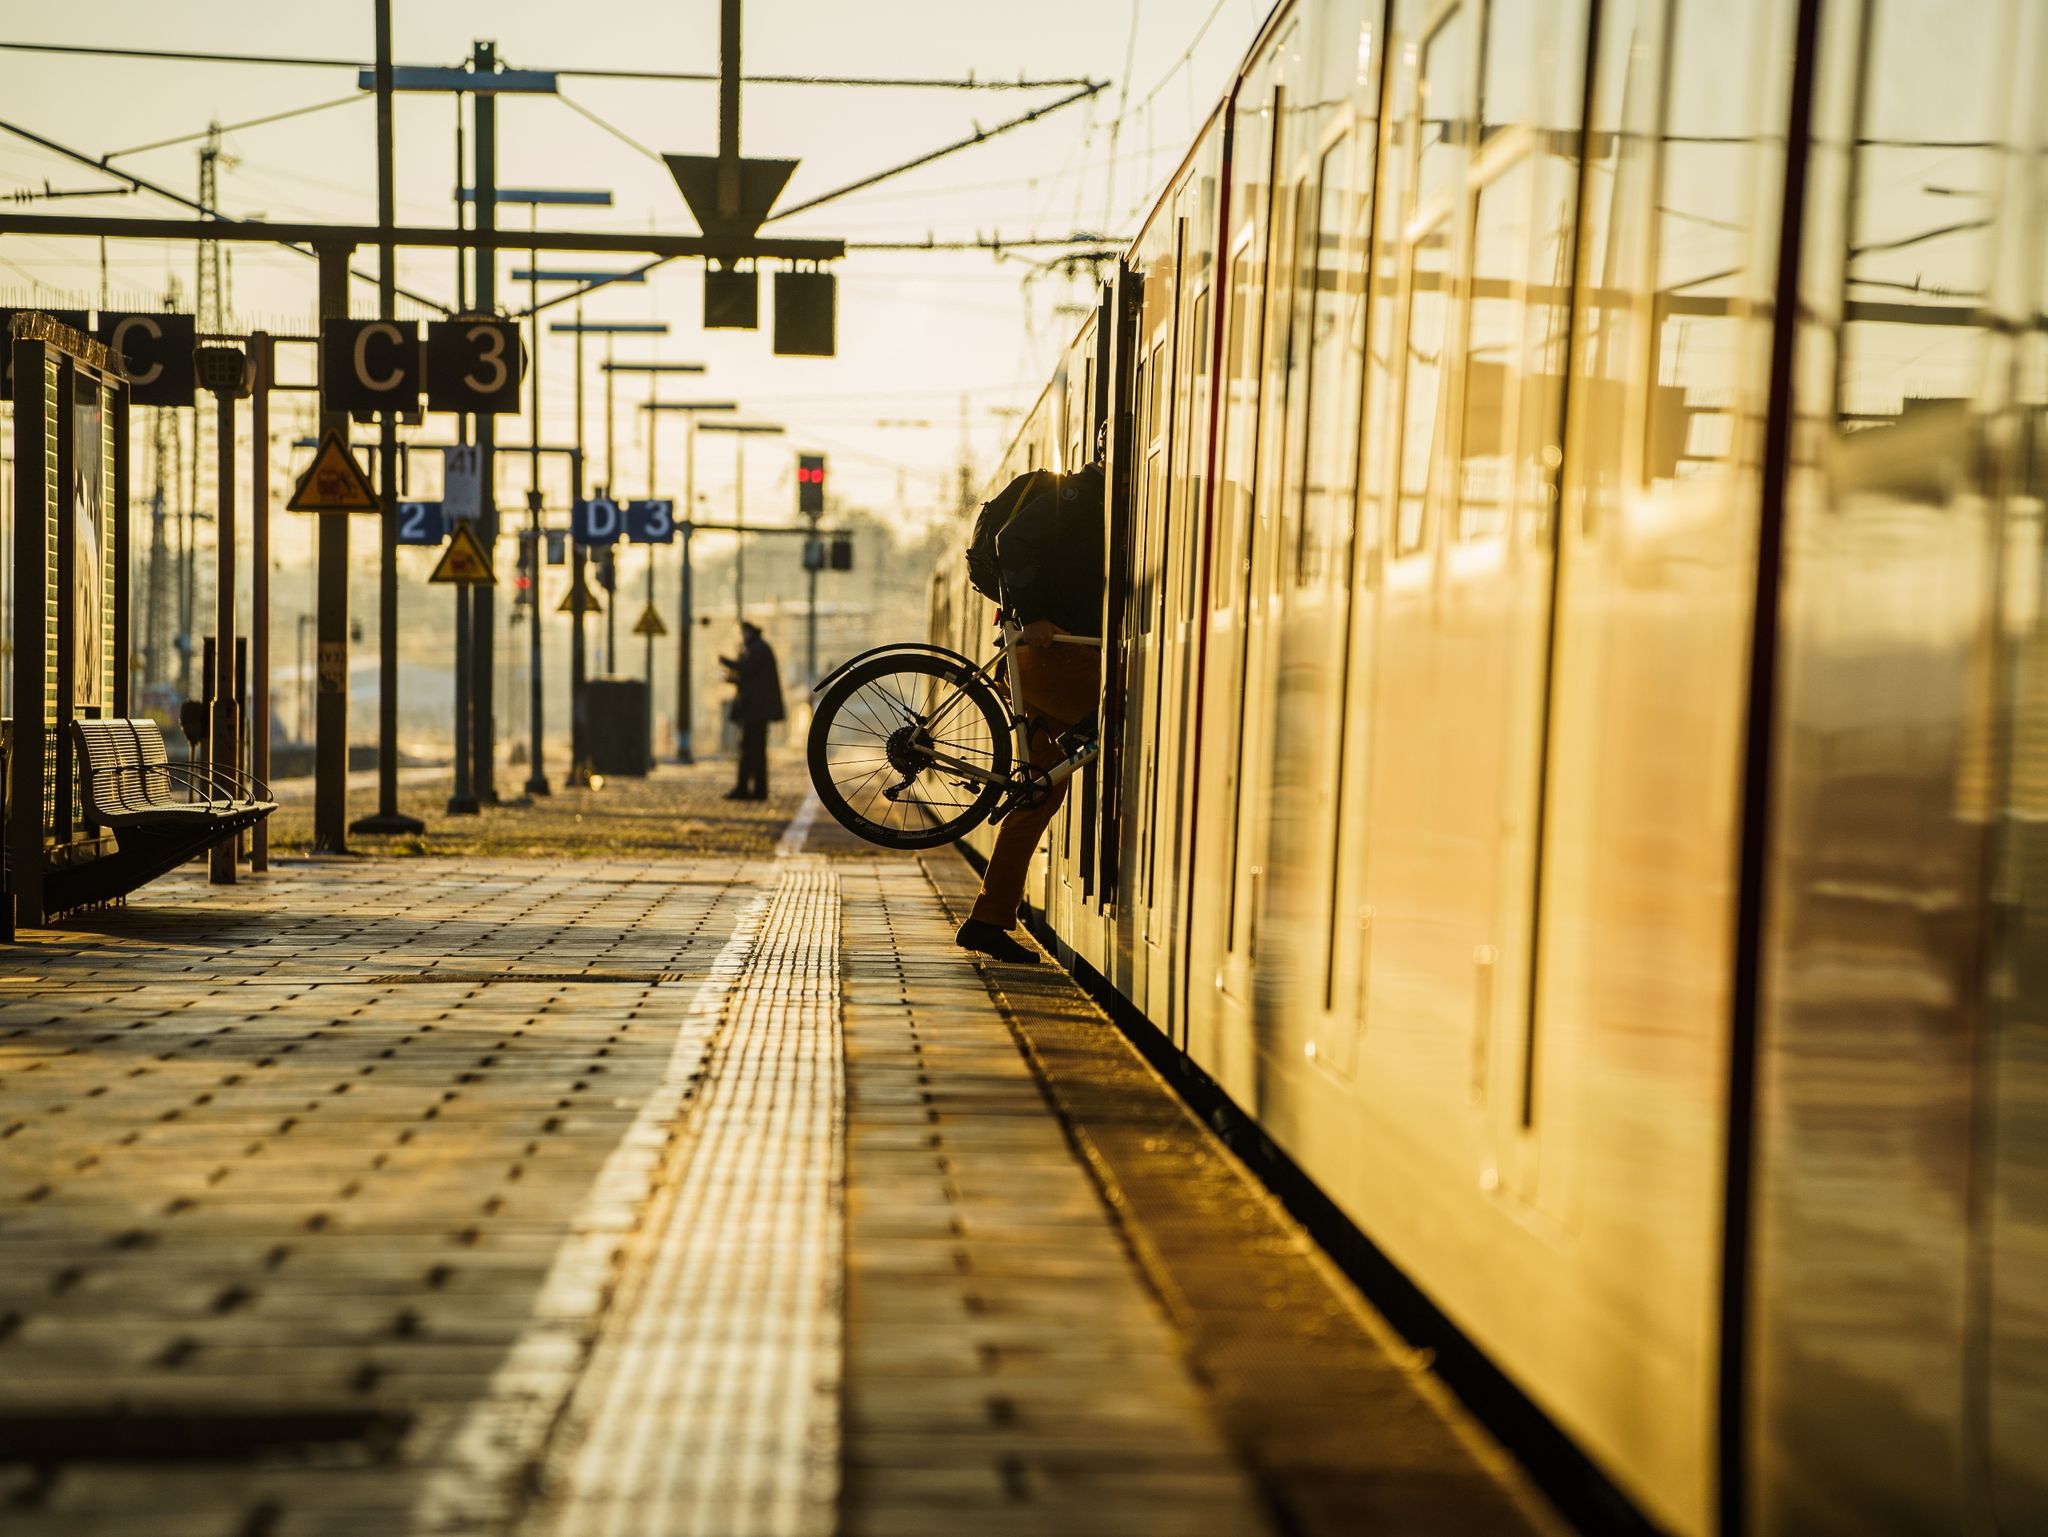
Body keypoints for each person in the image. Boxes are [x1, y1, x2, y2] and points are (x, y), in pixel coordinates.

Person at [956, 448, 1106, 964]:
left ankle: (987, 920)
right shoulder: (1081, 497)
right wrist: (1035, 614)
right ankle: (1082, 730)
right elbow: (1011, 540)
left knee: (1041, 793)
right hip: (1049, 661)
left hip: (1054, 665)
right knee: (1124, 711)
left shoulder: (1094, 502)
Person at [720, 620, 784, 801]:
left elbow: (747, 670)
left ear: (748, 632)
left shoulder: (757, 649)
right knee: (754, 751)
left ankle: (748, 790)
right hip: (756, 710)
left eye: (742, 633)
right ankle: (754, 790)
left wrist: (725, 661)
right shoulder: (759, 648)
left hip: (755, 711)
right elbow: (752, 678)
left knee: (750, 750)